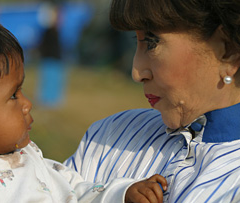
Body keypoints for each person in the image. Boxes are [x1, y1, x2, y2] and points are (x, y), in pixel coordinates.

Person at [0, 16, 167, 203]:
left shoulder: (27, 156)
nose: (27, 104)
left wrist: (123, 194)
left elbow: (76, 191)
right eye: (13, 95)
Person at [65, 0, 240, 202]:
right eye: (136, 41)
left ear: (227, 51)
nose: (137, 72)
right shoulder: (110, 135)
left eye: (151, 42)